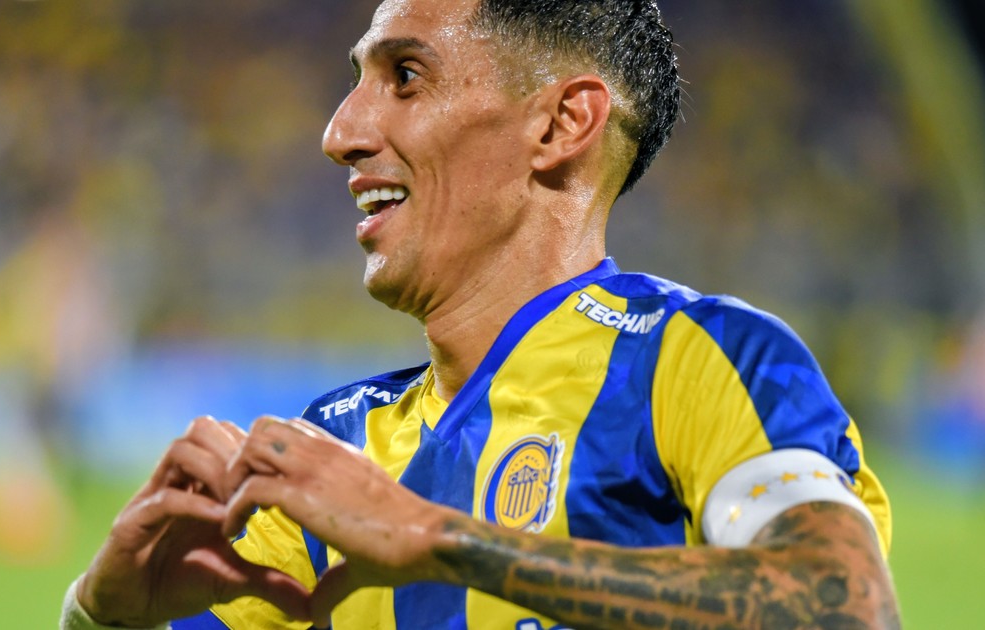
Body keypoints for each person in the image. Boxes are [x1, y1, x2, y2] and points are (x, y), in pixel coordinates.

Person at [61, 0, 900, 628]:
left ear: (562, 123)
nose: (340, 132)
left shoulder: (692, 360)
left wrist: (436, 539)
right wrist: (101, 614)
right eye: (356, 83)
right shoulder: (335, 449)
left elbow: (844, 605)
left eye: (405, 76)